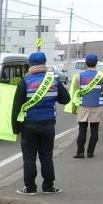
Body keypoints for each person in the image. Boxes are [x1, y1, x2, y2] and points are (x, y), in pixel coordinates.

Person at [11, 52, 71, 195]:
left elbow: (16, 107)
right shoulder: (54, 81)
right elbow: (65, 99)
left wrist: (15, 128)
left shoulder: (24, 82)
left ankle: (30, 188)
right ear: (44, 63)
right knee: (46, 157)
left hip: (29, 125)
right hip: (48, 125)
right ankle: (48, 186)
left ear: (30, 65)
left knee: (29, 158)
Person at [69, 53, 103, 158]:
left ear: (85, 63)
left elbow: (75, 95)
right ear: (96, 63)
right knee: (94, 131)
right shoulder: (101, 76)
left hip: (83, 107)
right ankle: (90, 152)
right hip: (96, 107)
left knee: (82, 131)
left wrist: (74, 108)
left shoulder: (78, 77)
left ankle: (80, 152)